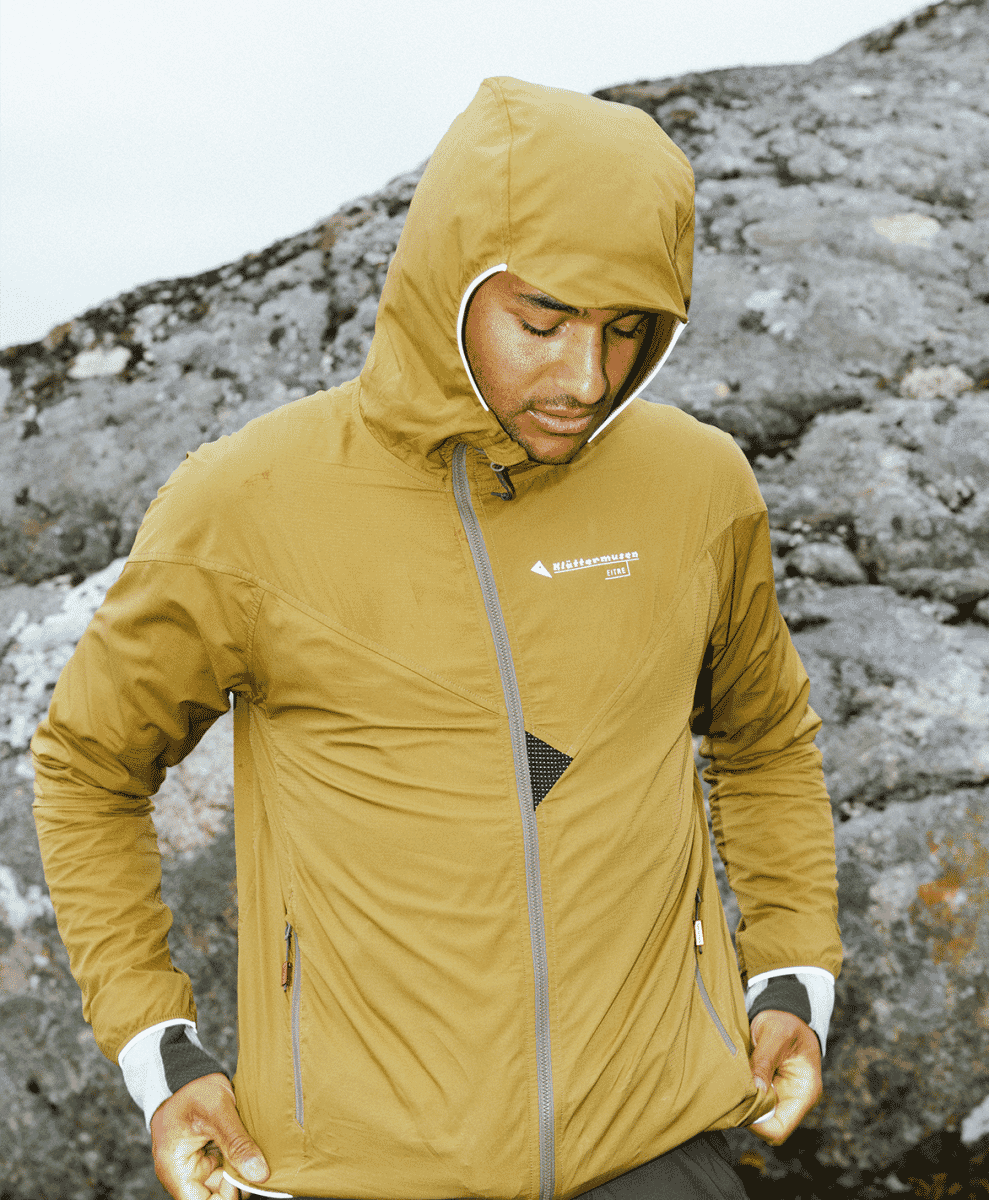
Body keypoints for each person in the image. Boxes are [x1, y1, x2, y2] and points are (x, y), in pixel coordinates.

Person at [33, 76, 842, 1200]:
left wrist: (794, 977)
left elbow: (762, 739)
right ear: (446, 282)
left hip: (658, 1153)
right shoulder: (246, 505)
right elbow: (86, 766)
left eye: (624, 329)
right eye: (541, 320)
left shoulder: (697, 486)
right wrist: (158, 1048)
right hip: (355, 1174)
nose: (581, 377)